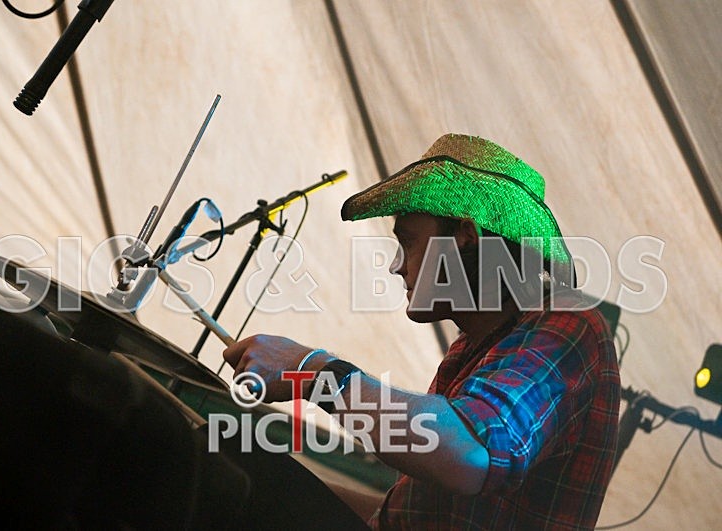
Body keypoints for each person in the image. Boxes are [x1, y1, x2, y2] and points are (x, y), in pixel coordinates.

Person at [223, 134, 620, 529]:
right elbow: (420, 516)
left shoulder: (569, 325)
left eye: (409, 243)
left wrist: (315, 372)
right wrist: (280, 485)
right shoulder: (472, 346)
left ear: (465, 238)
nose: (397, 266)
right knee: (239, 468)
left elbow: (470, 456)